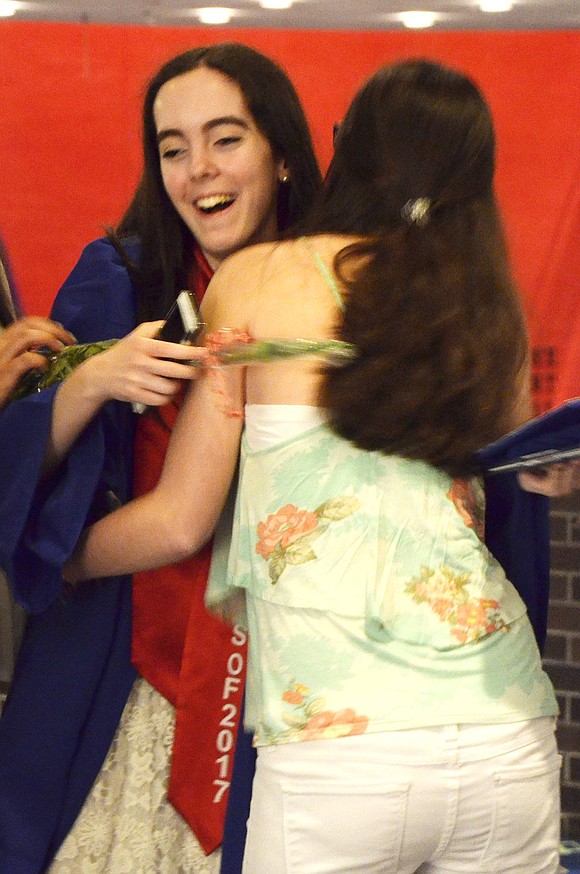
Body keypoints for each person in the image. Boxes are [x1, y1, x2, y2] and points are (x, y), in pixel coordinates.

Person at [64, 59, 563, 873]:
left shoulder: (257, 279)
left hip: (342, 750)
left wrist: (55, 558)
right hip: (508, 733)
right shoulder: (484, 309)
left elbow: (179, 519)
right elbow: (525, 467)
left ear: (340, 149)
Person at [0, 43, 320, 874]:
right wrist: (92, 382)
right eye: (173, 148)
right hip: (120, 656)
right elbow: (27, 481)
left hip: (288, 661)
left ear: (280, 152)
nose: (197, 171)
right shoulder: (122, 276)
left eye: (225, 139)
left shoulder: (333, 278)